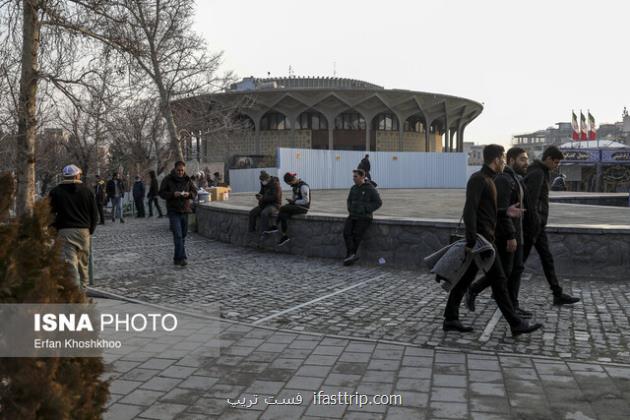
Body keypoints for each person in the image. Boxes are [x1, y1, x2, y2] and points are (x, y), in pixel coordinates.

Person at [442, 144, 542, 336]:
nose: (504, 161)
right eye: (503, 158)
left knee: (466, 279)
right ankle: (515, 323)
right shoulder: (478, 179)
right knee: (499, 279)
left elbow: (486, 211)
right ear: (496, 159)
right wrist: (471, 241)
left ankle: (451, 318)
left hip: (485, 239)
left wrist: (506, 211)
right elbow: (469, 210)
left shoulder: (489, 179)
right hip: (480, 241)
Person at [466, 147, 532, 318]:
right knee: (503, 275)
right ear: (507, 160)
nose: (526, 163)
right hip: (501, 236)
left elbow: (504, 210)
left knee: (509, 272)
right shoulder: (500, 180)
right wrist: (510, 235)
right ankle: (512, 315)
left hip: (514, 233)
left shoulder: (513, 178)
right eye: (522, 159)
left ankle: (512, 310)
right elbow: (474, 210)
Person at [521, 146, 580, 305]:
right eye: (555, 162)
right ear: (547, 159)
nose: (556, 165)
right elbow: (531, 202)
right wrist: (534, 224)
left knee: (547, 259)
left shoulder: (541, 172)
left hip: (538, 226)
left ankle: (557, 293)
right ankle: (479, 288)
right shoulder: (538, 173)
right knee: (517, 264)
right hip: (533, 226)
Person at [48, 164, 98, 290]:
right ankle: (83, 290)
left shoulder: (55, 192)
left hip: (65, 231)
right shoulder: (87, 191)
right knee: (83, 264)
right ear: (77, 175)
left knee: (70, 264)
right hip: (84, 232)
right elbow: (94, 214)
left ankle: (75, 294)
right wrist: (90, 230)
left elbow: (50, 214)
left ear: (64, 176)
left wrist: (53, 229)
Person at [159, 161, 197, 266]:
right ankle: (182, 258)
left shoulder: (187, 179)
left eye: (182, 170)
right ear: (175, 169)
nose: (180, 172)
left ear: (184, 170)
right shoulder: (168, 179)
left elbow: (194, 193)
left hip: (185, 210)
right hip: (173, 211)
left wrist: (189, 194)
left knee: (183, 235)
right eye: (178, 170)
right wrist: (173, 194)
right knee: (178, 235)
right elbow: (161, 193)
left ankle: (176, 258)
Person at [343, 169, 382, 266]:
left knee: (357, 235)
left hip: (365, 217)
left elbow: (378, 202)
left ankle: (350, 255)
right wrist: (350, 208)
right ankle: (351, 255)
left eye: (355, 176)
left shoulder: (370, 188)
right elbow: (349, 200)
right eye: (353, 176)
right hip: (353, 215)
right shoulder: (353, 188)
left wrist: (365, 209)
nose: (353, 178)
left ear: (362, 177)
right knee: (346, 232)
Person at [271, 172, 311, 246]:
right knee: (283, 215)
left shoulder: (303, 186)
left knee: (282, 208)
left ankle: (275, 225)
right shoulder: (295, 186)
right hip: (296, 206)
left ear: (292, 180)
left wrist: (294, 201)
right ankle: (284, 236)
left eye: (289, 183)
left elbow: (306, 200)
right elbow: (295, 198)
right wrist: (292, 201)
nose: (290, 185)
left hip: (303, 208)